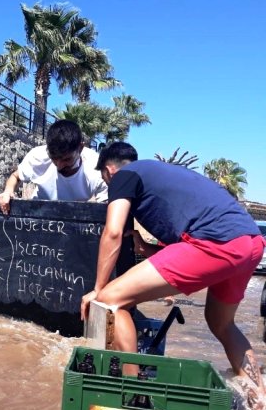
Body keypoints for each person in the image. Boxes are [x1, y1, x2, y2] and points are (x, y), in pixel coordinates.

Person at [80, 142, 265, 396]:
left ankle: (134, 396)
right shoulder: (163, 176)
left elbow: (112, 232)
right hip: (251, 242)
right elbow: (186, 254)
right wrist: (146, 249)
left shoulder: (123, 175)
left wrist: (98, 289)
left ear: (109, 171)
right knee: (221, 323)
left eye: (105, 178)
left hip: (215, 241)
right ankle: (261, 405)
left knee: (111, 301)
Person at [0, 119, 107, 215]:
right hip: (39, 216)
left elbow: (106, 208)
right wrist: (8, 191)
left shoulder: (97, 168)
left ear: (80, 148)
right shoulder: (38, 156)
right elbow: (15, 176)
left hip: (75, 218)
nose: (59, 166)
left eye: (66, 159)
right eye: (54, 158)